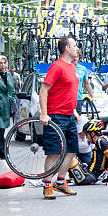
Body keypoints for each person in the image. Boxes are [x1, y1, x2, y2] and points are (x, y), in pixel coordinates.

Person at [39, 36, 80, 199]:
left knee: (71, 151)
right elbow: (43, 90)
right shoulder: (57, 67)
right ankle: (47, 184)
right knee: (55, 152)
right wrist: (44, 113)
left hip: (69, 115)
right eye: (74, 45)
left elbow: (68, 91)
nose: (77, 48)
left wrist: (74, 111)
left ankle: (60, 182)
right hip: (55, 116)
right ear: (67, 48)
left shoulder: (71, 67)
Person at [68, 119, 108, 186]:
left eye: (87, 135)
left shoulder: (101, 141)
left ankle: (54, 180)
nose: (86, 138)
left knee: (68, 156)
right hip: (88, 173)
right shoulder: (99, 141)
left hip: (89, 177)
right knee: (69, 155)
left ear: (92, 134)